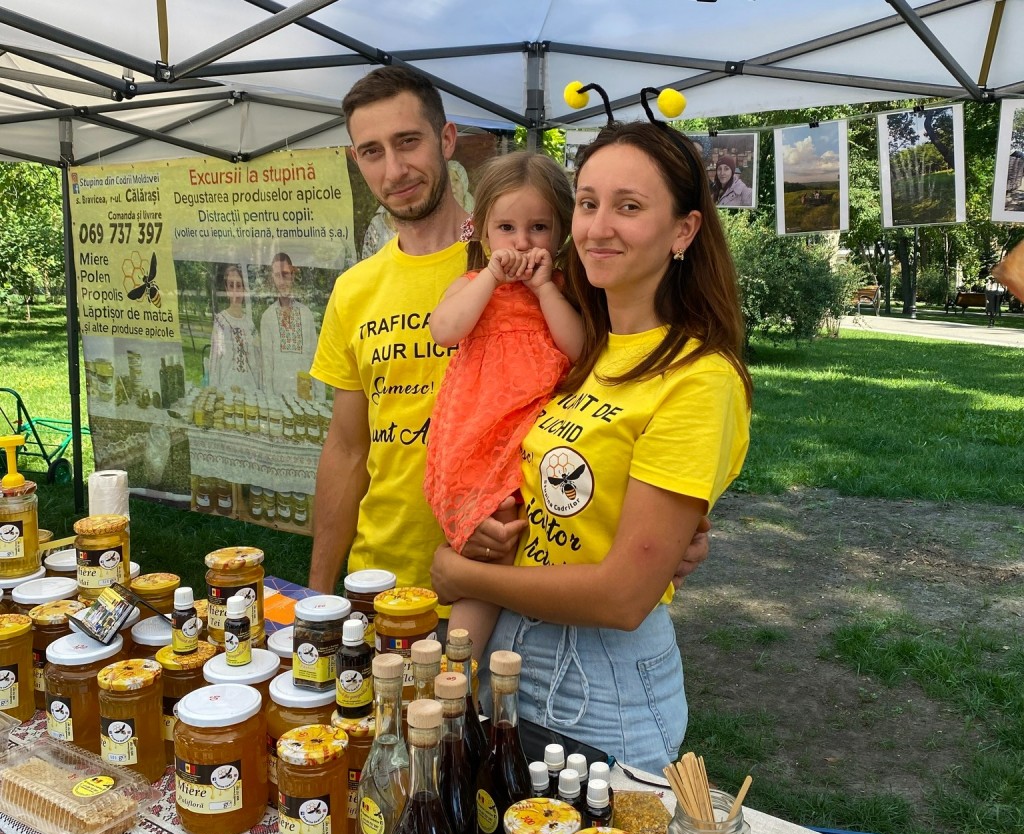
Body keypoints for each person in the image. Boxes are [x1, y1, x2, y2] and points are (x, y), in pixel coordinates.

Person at [309, 66, 709, 608]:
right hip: (380, 576)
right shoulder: (354, 290)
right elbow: (346, 447)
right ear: (357, 161)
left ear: (447, 139)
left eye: (409, 141)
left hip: (516, 562)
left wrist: (673, 527)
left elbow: (626, 390)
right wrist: (316, 593)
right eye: (372, 151)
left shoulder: (578, 270)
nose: (395, 168)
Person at [431, 120, 753, 772]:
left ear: (684, 231)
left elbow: (622, 597)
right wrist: (498, 532)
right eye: (587, 202)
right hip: (512, 652)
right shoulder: (586, 349)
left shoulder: (698, 377)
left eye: (629, 207)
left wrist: (459, 571)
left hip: (600, 681)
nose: (599, 225)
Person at [424, 151, 584, 651]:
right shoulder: (472, 285)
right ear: (481, 232)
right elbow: (444, 332)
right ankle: (459, 664)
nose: (522, 242)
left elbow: (578, 349)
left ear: (560, 234)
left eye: (538, 227)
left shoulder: (558, 290)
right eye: (507, 228)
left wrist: (544, 291)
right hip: (479, 439)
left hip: (535, 435)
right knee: (491, 541)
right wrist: (491, 277)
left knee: (527, 532)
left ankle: (501, 644)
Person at [260, 252, 320, 396]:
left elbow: (315, 360)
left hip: (304, 399)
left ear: (292, 275)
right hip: (278, 399)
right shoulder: (268, 317)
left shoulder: (306, 315)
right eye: (277, 275)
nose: (282, 281)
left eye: (285, 274)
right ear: (273, 278)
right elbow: (266, 365)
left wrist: (319, 399)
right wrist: (270, 402)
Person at [208, 264, 262, 391]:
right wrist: (214, 391)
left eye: (239, 285)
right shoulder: (221, 321)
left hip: (249, 390)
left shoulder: (250, 324)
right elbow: (214, 363)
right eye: (231, 285)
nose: (235, 291)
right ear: (226, 290)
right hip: (226, 390)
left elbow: (257, 361)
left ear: (244, 289)